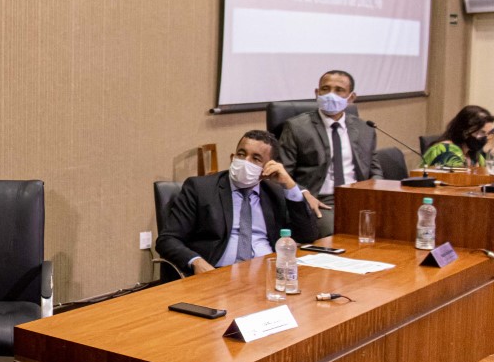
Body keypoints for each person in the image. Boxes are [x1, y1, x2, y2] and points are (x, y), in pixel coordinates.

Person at [156, 130, 318, 277]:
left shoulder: (275, 192)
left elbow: (307, 235)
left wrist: (289, 185)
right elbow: (167, 239)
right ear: (232, 157)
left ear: (268, 167)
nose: (245, 161)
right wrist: (197, 262)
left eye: (255, 159)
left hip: (266, 274)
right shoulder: (200, 188)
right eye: (241, 154)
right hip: (217, 274)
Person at [278, 70, 382, 238]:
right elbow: (283, 173)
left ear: (351, 97)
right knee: (336, 233)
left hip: (358, 197)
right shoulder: (297, 127)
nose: (330, 94)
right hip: (320, 199)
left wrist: (377, 196)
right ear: (316, 93)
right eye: (325, 89)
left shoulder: (365, 129)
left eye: (339, 90)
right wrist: (304, 194)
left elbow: (375, 170)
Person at [422, 105, 494, 169]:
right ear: (464, 130)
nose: (486, 137)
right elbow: (459, 180)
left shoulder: (474, 154)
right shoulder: (446, 150)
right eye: (482, 132)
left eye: (488, 133)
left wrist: (491, 155)